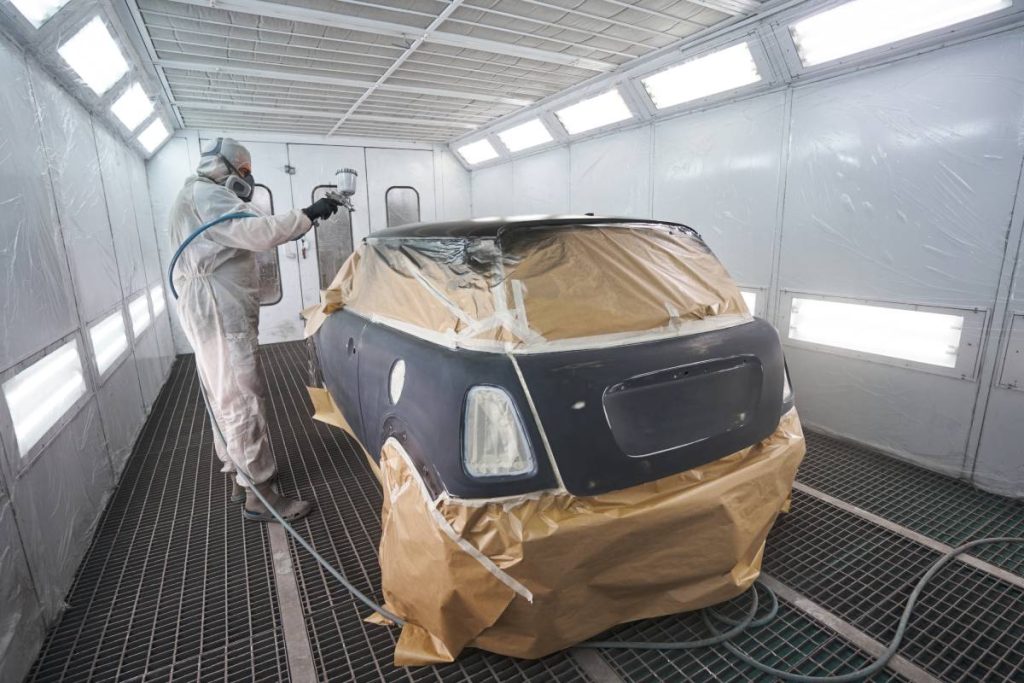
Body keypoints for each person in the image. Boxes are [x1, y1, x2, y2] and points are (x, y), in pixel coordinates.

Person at [169, 137, 340, 522]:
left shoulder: (193, 195)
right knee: (242, 397)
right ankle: (260, 495)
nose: (246, 179)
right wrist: (310, 213)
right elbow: (259, 232)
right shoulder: (208, 195)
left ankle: (238, 474)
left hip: (208, 304)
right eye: (244, 172)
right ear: (225, 168)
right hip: (218, 307)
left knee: (223, 394)